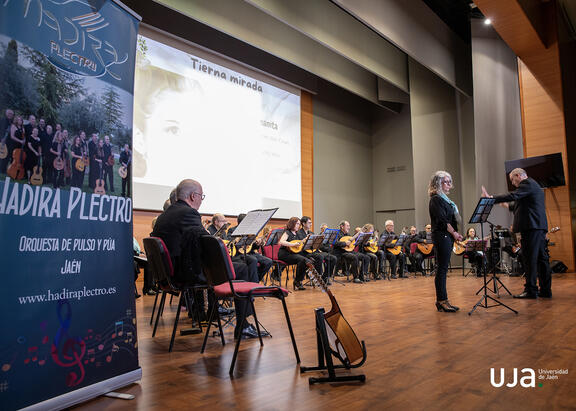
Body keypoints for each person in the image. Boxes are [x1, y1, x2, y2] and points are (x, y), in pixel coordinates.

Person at [152, 179, 262, 339]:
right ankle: (243, 326)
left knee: (228, 266)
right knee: (243, 268)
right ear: (192, 196)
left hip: (168, 274)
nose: (201, 201)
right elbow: (207, 242)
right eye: (201, 197)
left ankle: (214, 311)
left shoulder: (164, 216)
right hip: (183, 274)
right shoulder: (188, 213)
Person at [482, 168, 551, 298]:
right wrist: (506, 205)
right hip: (538, 227)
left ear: (518, 176)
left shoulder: (527, 183)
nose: (513, 184)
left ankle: (531, 290)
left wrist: (492, 198)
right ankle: (546, 290)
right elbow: (519, 204)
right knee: (542, 259)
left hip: (531, 227)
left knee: (530, 259)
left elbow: (513, 196)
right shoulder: (533, 186)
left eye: (513, 180)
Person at [429, 170, 462, 312]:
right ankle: (441, 300)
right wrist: (454, 233)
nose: (449, 184)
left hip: (447, 236)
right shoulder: (436, 199)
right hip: (441, 235)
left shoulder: (446, 200)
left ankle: (444, 300)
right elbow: (442, 221)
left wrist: (456, 233)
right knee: (441, 269)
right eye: (446, 182)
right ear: (438, 183)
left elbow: (451, 220)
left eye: (450, 181)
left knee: (443, 268)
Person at [277, 217, 313, 290]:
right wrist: (292, 245)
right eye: (297, 224)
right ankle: (297, 281)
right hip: (284, 254)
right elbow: (281, 242)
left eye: (299, 224)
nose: (298, 226)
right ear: (292, 224)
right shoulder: (287, 232)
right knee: (302, 260)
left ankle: (299, 280)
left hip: (292, 253)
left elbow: (298, 243)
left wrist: (305, 240)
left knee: (308, 260)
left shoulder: (296, 233)